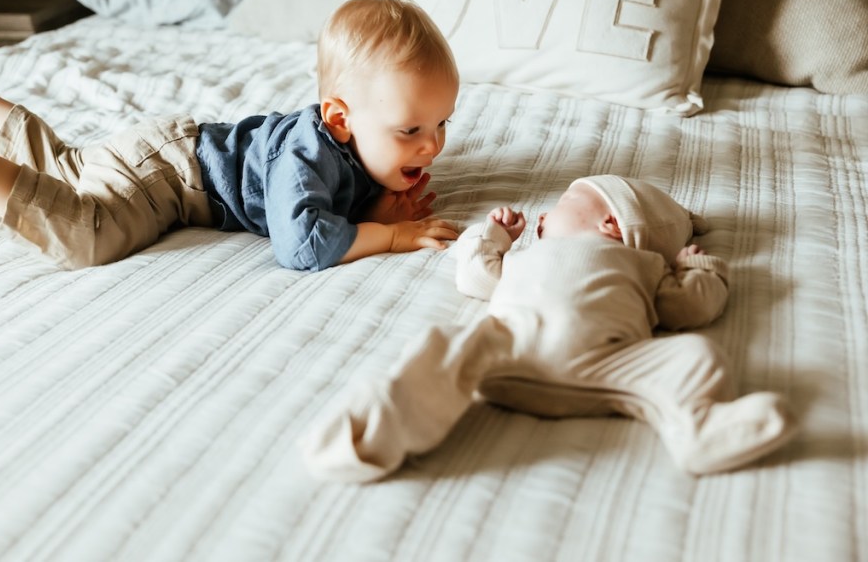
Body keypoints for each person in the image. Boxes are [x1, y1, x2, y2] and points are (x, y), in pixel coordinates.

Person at [0, 0, 460, 271]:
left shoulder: (344, 142)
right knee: (91, 232)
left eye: (440, 124)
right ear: (339, 118)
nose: (432, 145)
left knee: (68, 167)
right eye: (410, 129)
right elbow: (300, 243)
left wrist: (377, 206)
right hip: (172, 178)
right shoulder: (308, 156)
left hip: (168, 146)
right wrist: (390, 237)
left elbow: (339, 198)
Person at [300, 175, 798, 481]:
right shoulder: (529, 258)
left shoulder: (644, 266)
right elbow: (474, 273)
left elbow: (688, 309)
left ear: (609, 224)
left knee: (696, 357)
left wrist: (699, 271)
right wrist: (494, 235)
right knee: (441, 345)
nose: (542, 215)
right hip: (509, 349)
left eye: (560, 203)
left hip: (604, 363)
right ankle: (375, 433)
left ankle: (699, 431)